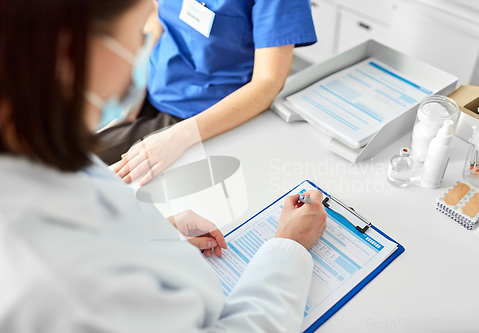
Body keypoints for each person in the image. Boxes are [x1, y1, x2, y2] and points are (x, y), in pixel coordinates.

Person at [0, 0, 328, 332]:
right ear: (75, 50)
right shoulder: (74, 292)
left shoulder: (39, 160)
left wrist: (150, 235)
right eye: (137, 35)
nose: (143, 54)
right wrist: (290, 248)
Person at [96, 0, 317, 186]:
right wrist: (134, 89)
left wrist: (180, 136)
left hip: (204, 114)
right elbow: (158, 18)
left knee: (91, 165)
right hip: (151, 87)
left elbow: (268, 81)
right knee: (74, 148)